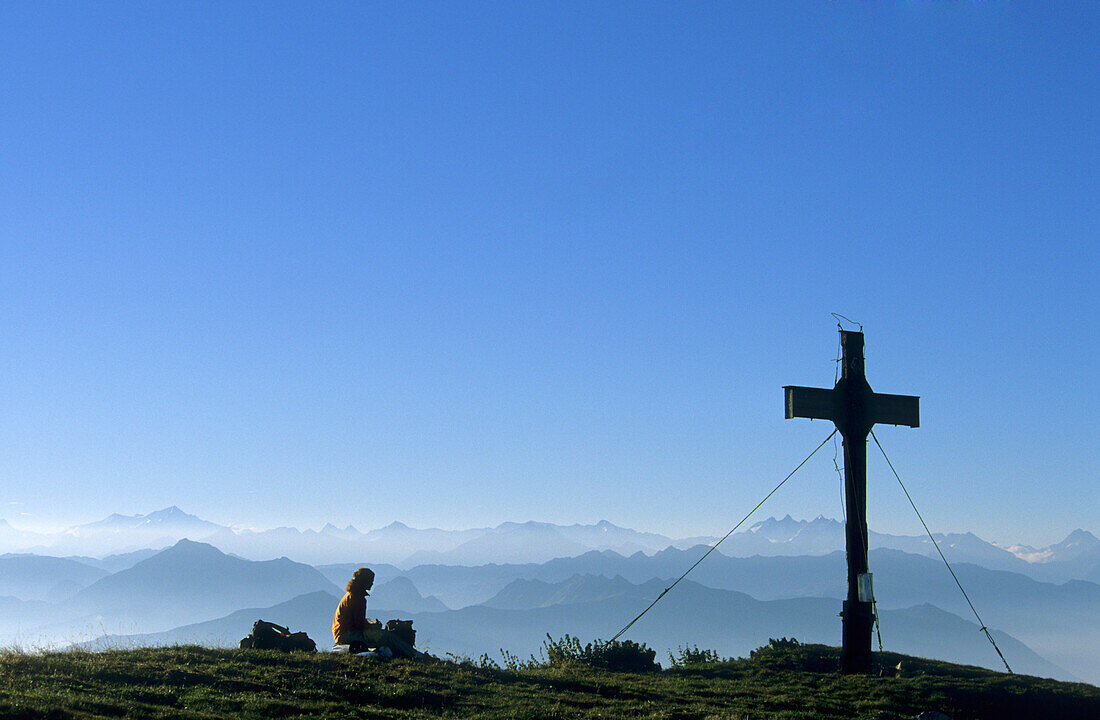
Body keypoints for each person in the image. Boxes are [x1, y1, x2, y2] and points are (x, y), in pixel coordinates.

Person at [332, 567, 421, 658]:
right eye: (370, 580)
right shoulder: (358, 598)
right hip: (348, 635)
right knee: (388, 637)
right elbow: (359, 624)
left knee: (382, 637)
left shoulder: (350, 595)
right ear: (364, 581)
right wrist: (373, 627)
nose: (372, 583)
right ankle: (415, 655)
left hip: (341, 634)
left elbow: (355, 620)